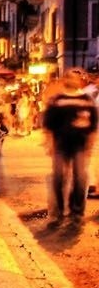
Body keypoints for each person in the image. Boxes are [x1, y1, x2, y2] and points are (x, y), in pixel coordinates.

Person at [42, 73, 97, 223]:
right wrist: (49, 143)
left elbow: (93, 125)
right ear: (65, 81)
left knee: (80, 177)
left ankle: (76, 211)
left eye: (73, 78)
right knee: (58, 176)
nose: (71, 81)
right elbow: (48, 124)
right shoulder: (57, 100)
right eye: (69, 78)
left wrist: (90, 144)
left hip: (80, 144)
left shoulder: (86, 100)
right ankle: (59, 210)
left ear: (77, 81)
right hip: (61, 144)